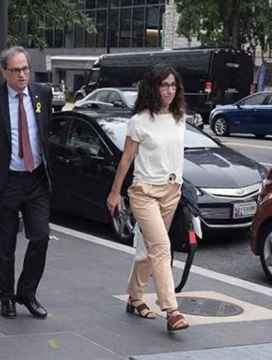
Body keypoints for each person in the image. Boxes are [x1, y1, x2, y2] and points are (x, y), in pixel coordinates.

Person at [106, 64, 190, 332]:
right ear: (153, 88)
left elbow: (176, 156)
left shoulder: (180, 117)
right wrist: (115, 192)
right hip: (144, 193)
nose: (169, 90)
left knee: (148, 252)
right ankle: (172, 310)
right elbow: (126, 160)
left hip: (171, 192)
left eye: (173, 85)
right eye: (164, 85)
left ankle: (134, 298)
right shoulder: (140, 121)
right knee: (162, 247)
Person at [0, 46, 53, 319]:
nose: (22, 75)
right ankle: (6, 296)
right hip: (6, 182)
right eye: (16, 70)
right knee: (5, 247)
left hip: (36, 180)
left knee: (41, 236)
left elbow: (45, 130)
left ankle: (27, 293)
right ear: (4, 72)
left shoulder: (42, 94)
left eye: (25, 69)